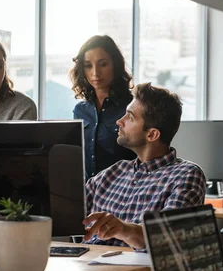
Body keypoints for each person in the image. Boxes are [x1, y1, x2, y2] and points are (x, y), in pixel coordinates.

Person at [82, 82, 207, 250]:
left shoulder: (186, 175)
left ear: (152, 134)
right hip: (86, 265)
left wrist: (124, 229)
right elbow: (68, 213)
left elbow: (168, 239)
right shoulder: (113, 172)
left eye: (130, 117)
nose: (119, 121)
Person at [70, 35, 136, 179]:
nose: (95, 73)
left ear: (115, 64)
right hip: (88, 193)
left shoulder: (133, 106)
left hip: (124, 193)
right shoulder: (80, 110)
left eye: (103, 64)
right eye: (88, 66)